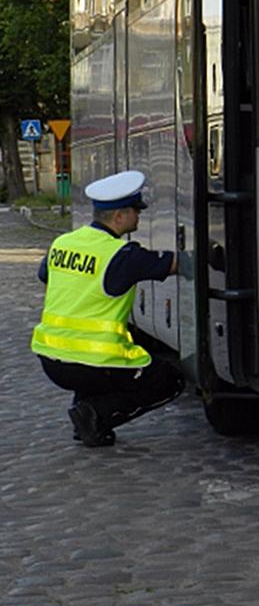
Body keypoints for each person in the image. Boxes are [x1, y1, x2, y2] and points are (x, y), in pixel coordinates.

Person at [31, 170, 183, 447]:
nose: (139, 216)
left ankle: (85, 425)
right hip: (91, 361)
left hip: (51, 358)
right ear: (119, 216)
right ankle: (94, 415)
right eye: (136, 211)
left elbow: (46, 275)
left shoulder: (63, 243)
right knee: (169, 381)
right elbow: (176, 264)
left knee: (92, 367)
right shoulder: (122, 255)